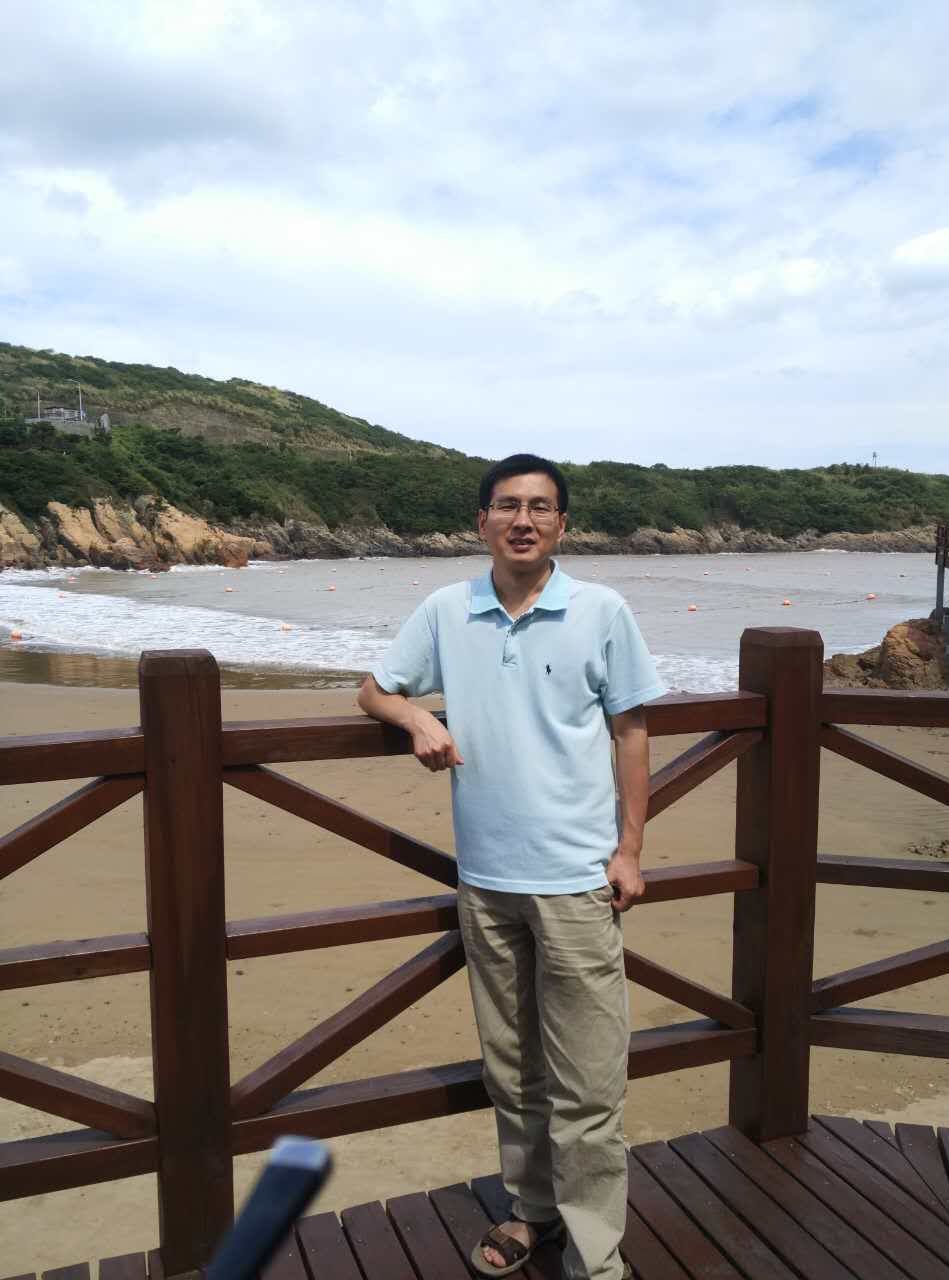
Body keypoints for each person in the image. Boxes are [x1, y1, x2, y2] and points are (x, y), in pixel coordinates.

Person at [357, 454, 666, 1280]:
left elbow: (632, 731)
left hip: (577, 881)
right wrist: (415, 716)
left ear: (562, 524)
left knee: (588, 1084)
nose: (521, 520)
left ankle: (595, 1256)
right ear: (482, 522)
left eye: (539, 507)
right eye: (506, 506)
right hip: (487, 883)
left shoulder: (601, 610)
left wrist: (630, 849)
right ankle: (533, 1211)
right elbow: (373, 689)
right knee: (512, 1070)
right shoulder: (446, 609)